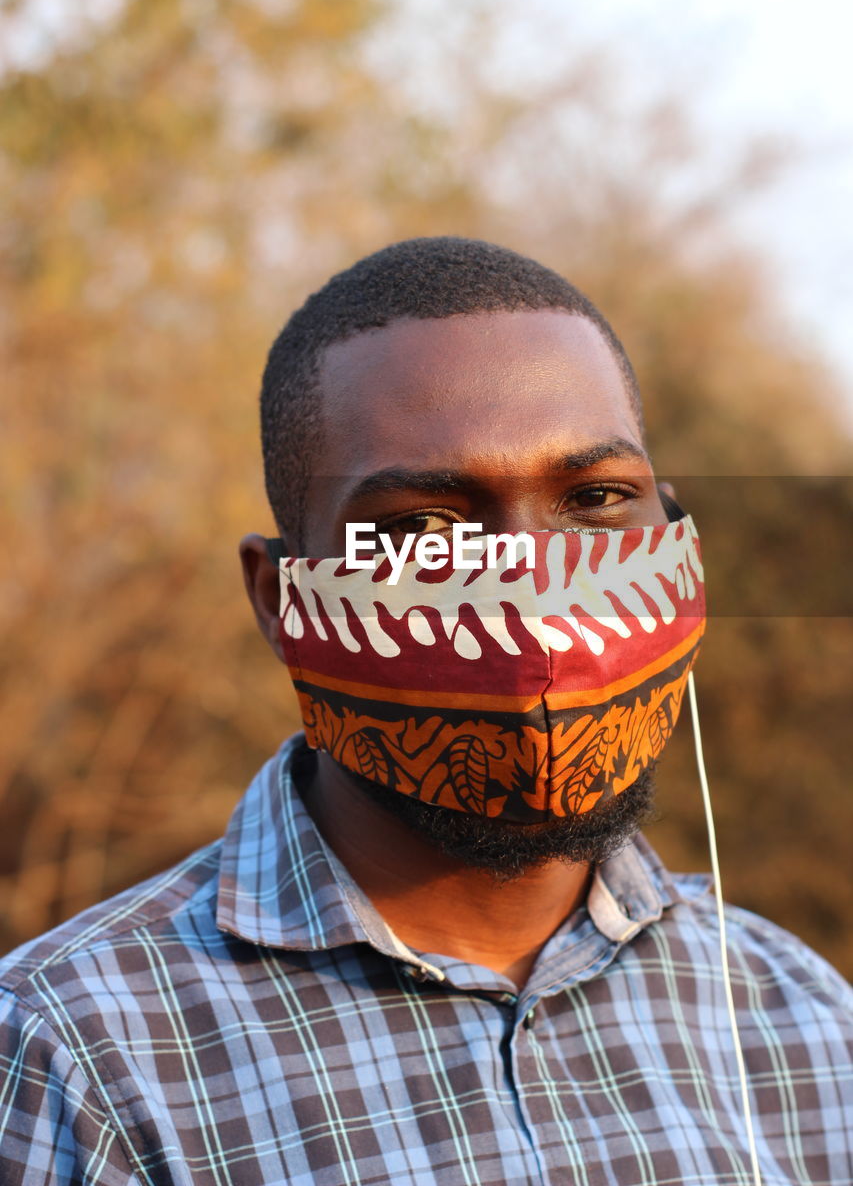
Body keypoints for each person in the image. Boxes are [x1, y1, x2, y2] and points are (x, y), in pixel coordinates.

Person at [0, 237, 850, 1186]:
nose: (535, 590)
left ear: (678, 542)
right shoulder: (74, 1058)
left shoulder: (801, 1022)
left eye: (597, 498)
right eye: (419, 527)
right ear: (282, 602)